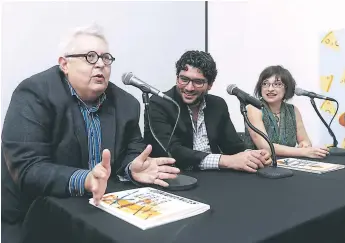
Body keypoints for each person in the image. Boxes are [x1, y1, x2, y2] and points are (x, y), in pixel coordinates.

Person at [1, 24, 179, 243]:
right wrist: (85, 179)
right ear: (64, 64)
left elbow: (131, 149)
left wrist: (132, 167)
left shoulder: (126, 104)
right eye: (90, 57)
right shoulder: (33, 95)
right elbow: (28, 168)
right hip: (36, 216)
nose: (101, 65)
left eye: (106, 58)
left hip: (98, 213)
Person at [144, 50, 271, 172]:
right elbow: (173, 151)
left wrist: (253, 155)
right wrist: (226, 161)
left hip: (213, 178)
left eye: (198, 82)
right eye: (184, 79)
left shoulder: (217, 104)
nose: (189, 87)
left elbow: (233, 147)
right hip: (176, 176)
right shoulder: (159, 103)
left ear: (210, 84)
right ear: (177, 78)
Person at [244, 65, 329, 158]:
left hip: (288, 164)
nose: (270, 89)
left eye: (277, 84)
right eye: (265, 84)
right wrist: (303, 152)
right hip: (259, 164)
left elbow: (305, 140)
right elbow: (265, 147)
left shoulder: (292, 110)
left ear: (287, 88)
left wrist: (304, 145)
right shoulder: (254, 108)